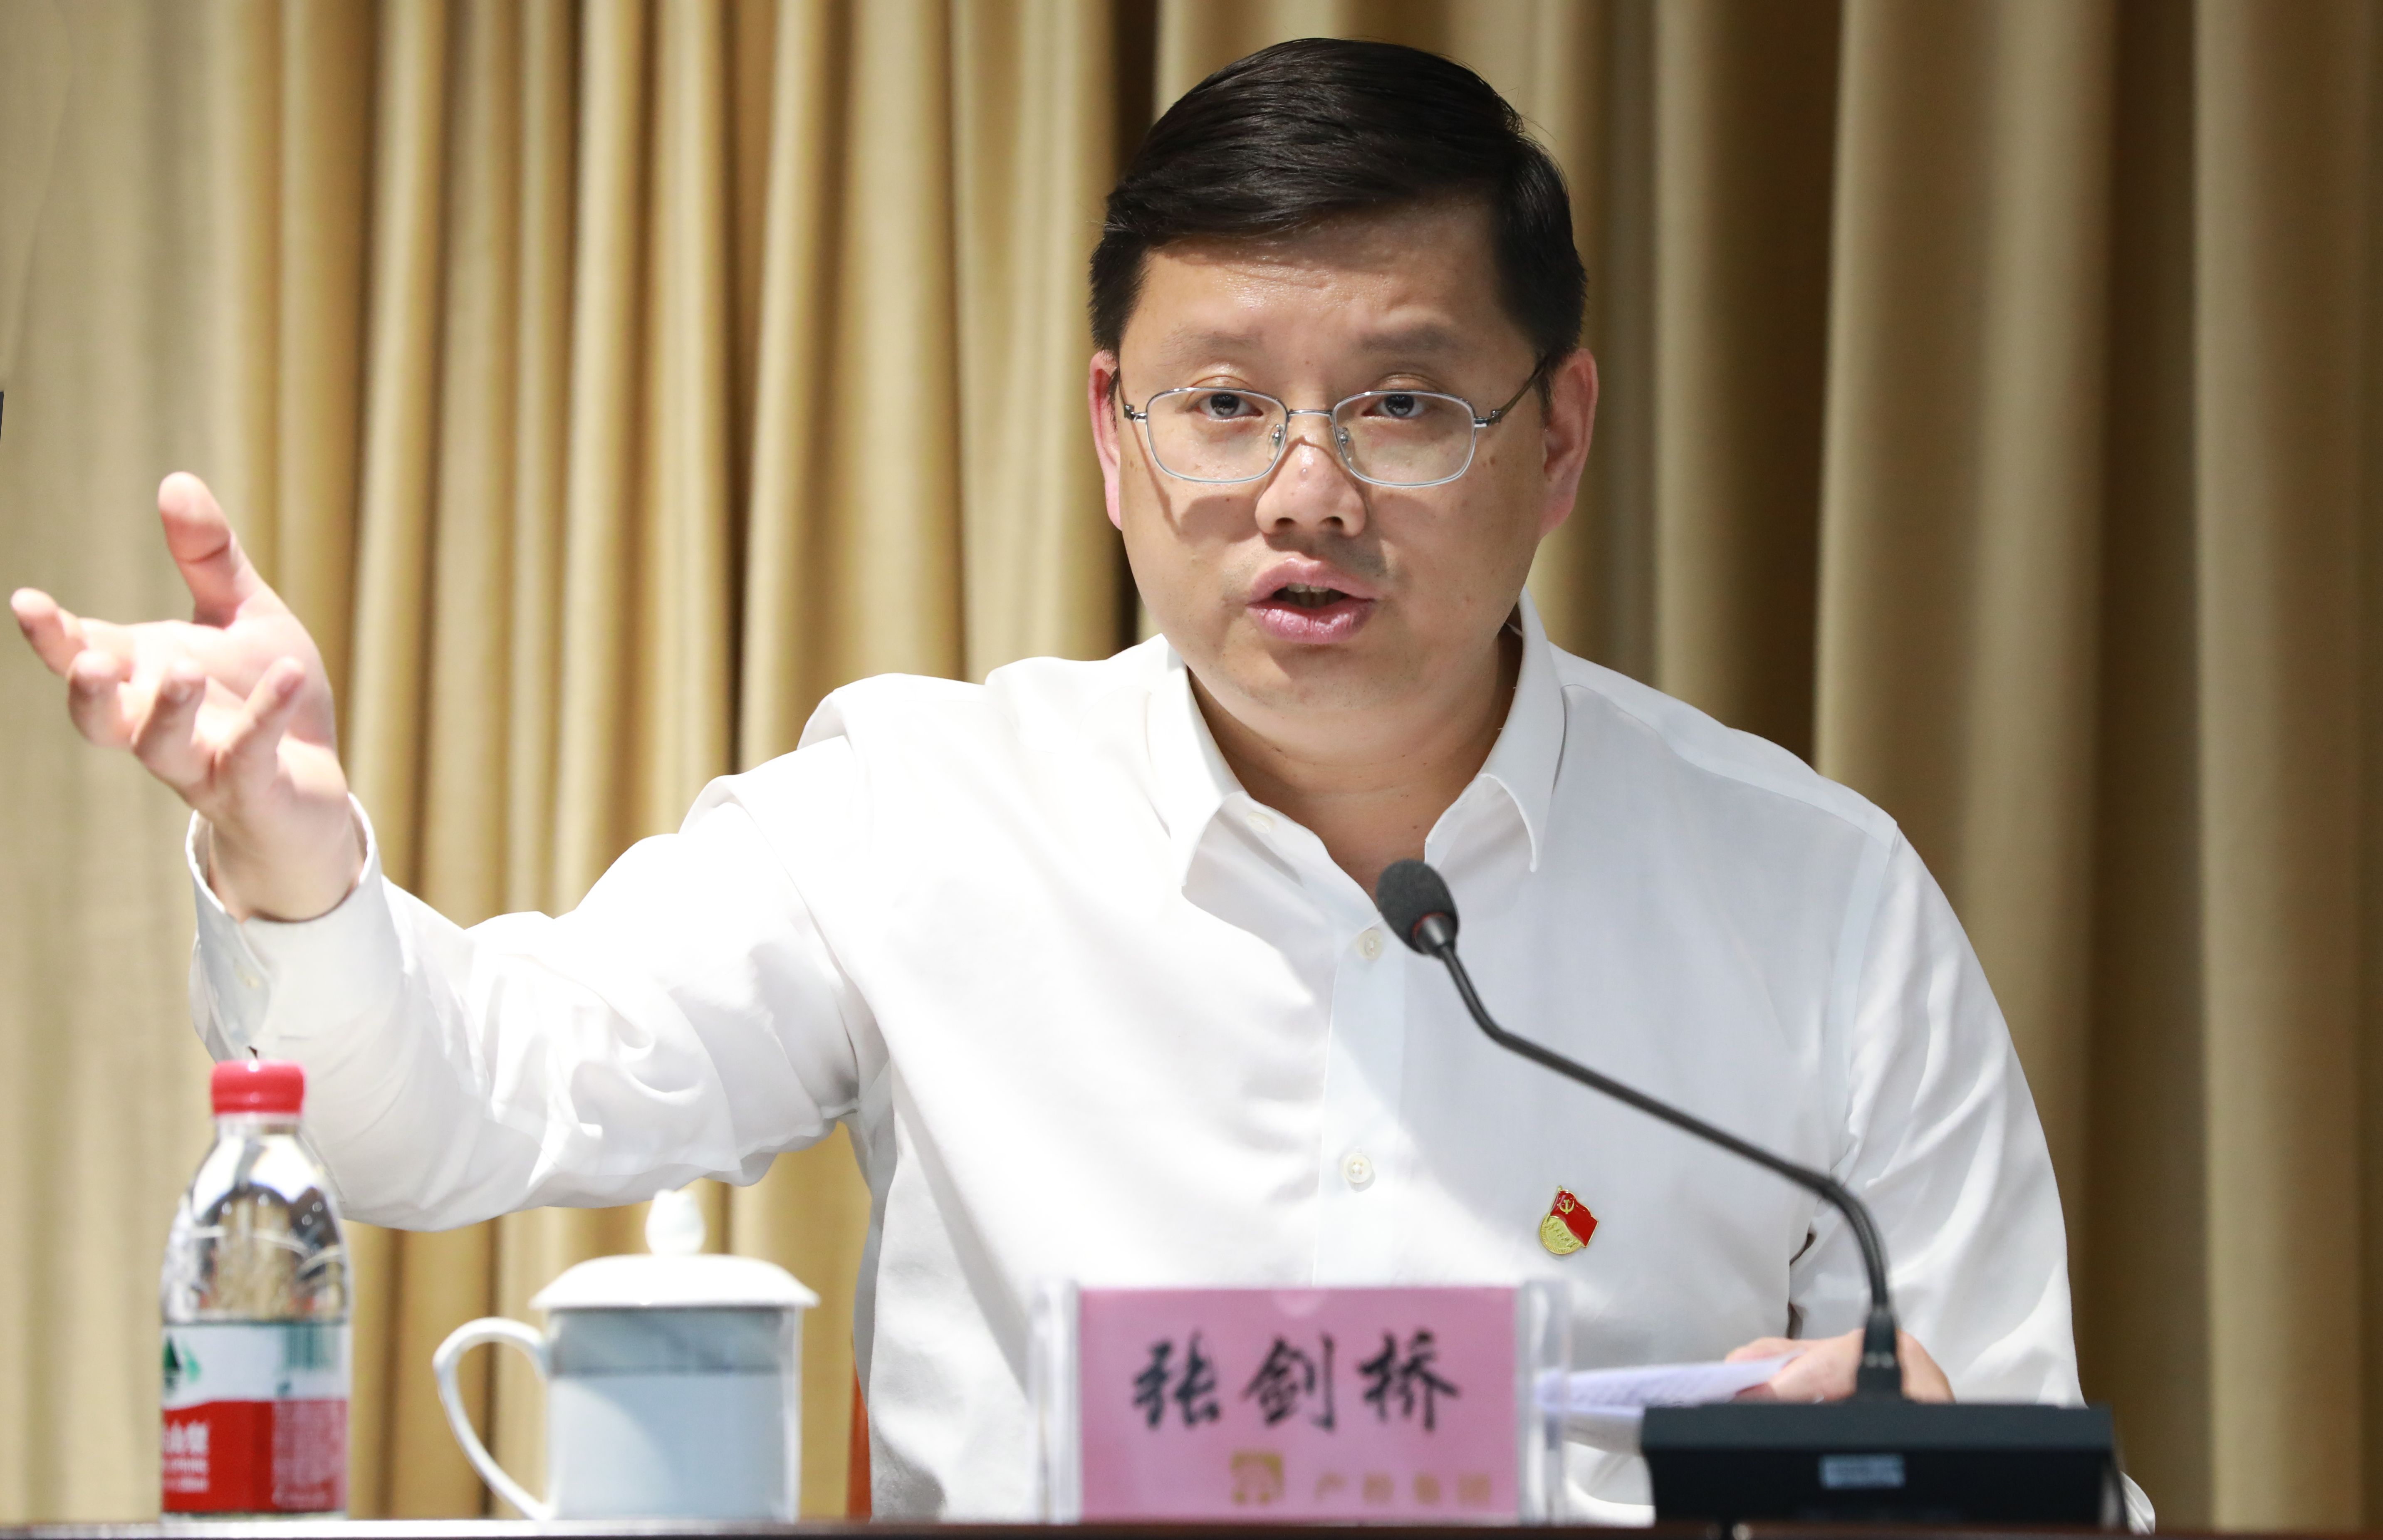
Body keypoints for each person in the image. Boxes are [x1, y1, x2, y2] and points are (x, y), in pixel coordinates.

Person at [14, 39, 2084, 1522]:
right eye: (1222, 404)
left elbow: (2043, 1465)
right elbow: (451, 1103)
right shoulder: (919, 813)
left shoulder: (1809, 896)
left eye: (1399, 405)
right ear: (1110, 432)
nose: (1304, 492)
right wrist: (288, 859)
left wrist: (1950, 1480)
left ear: (1556, 436)